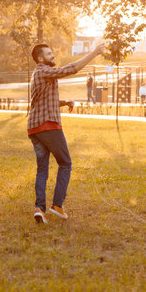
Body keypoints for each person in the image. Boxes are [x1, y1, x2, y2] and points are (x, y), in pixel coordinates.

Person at [28, 41, 105, 224]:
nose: (52, 55)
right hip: (48, 126)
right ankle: (57, 205)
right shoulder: (43, 70)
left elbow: (43, 100)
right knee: (65, 163)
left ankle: (39, 209)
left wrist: (64, 102)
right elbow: (71, 69)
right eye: (49, 54)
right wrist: (94, 52)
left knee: (42, 169)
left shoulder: (40, 75)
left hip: (35, 128)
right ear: (40, 58)